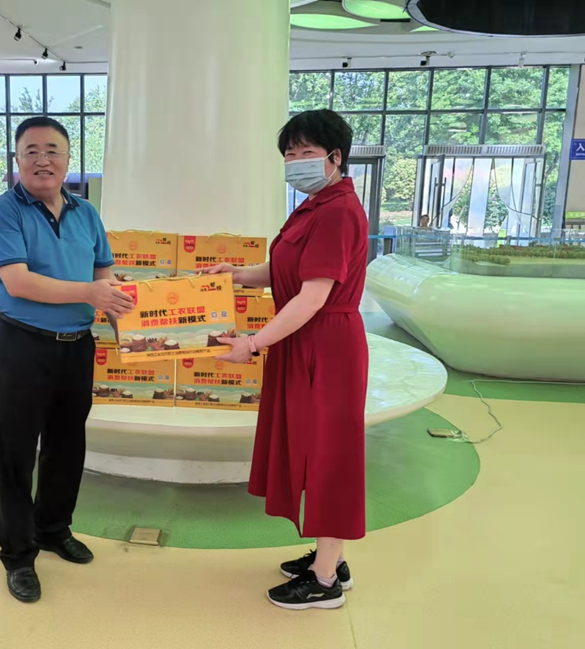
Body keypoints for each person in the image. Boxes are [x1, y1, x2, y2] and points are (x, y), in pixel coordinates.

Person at [209, 110, 368, 611]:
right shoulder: (313, 207)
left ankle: (325, 582)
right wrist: (237, 274)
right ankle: (330, 556)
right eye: (289, 154)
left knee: (328, 454)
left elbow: (312, 296)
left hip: (326, 345)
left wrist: (254, 344)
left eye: (306, 152)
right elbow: (285, 270)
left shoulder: (338, 211)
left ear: (335, 157)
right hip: (305, 339)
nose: (296, 162)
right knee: (312, 448)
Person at [0, 117, 134, 603]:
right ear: (17, 160)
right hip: (22, 345)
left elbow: (105, 277)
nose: (42, 159)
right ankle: (17, 554)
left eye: (52, 150)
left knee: (67, 445)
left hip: (76, 345)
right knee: (15, 451)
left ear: (69, 160)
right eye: (31, 151)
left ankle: (52, 528)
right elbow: (19, 282)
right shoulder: (3, 211)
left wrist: (133, 332)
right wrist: (90, 292)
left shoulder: (86, 213)